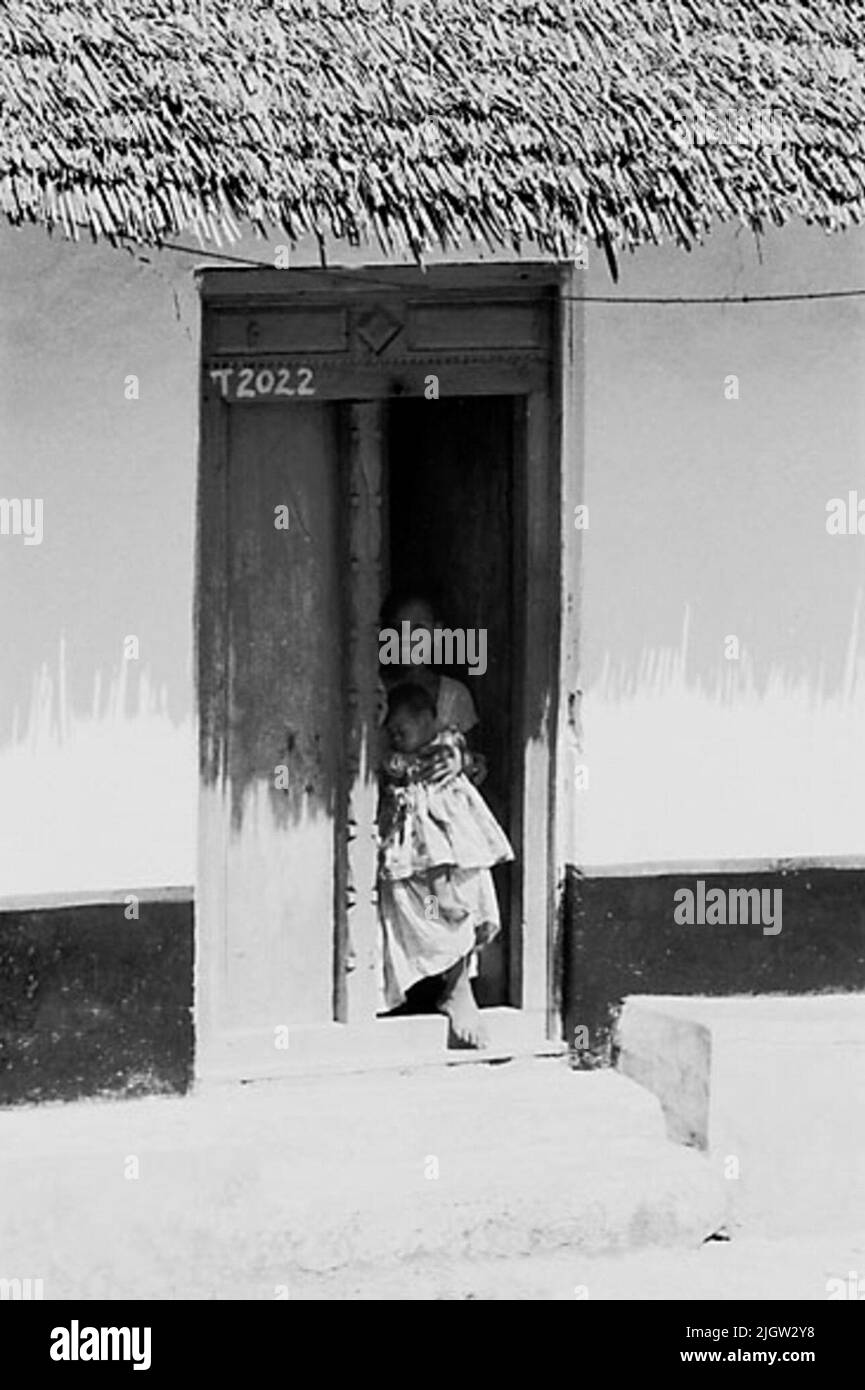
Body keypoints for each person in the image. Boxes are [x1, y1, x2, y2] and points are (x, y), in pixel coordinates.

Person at [377, 682, 513, 1047]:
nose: (396, 737)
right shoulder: (399, 741)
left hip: (454, 837)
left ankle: (459, 986)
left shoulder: (445, 737)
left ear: (428, 720)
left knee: (460, 882)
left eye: (401, 731)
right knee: (434, 879)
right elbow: (387, 761)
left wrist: (457, 757)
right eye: (393, 733)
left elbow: (469, 758)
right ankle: (451, 987)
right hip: (421, 846)